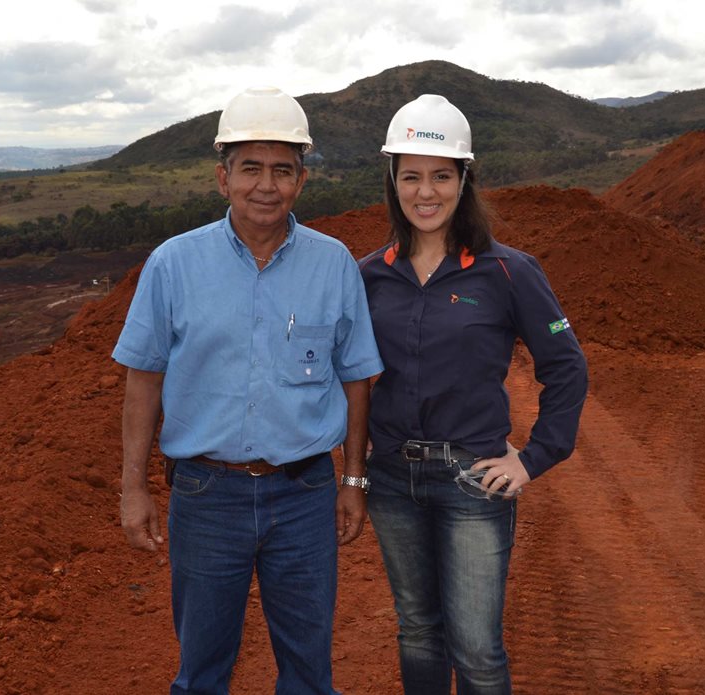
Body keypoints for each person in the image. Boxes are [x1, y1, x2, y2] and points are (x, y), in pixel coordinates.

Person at [113, 86, 383, 695]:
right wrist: (133, 488)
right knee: (201, 672)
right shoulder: (173, 264)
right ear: (223, 178)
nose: (266, 185)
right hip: (207, 495)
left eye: (282, 170)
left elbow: (356, 377)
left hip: (305, 494)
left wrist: (353, 480)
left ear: (301, 181)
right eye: (250, 168)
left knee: (309, 672)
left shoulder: (334, 263)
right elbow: (143, 379)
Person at [358, 94, 588, 694]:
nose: (425, 192)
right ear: (393, 181)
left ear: (464, 180)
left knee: (477, 650)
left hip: (471, 480)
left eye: (441, 176)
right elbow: (346, 372)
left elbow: (566, 365)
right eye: (411, 176)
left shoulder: (508, 270)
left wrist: (533, 458)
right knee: (417, 631)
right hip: (391, 480)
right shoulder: (369, 274)